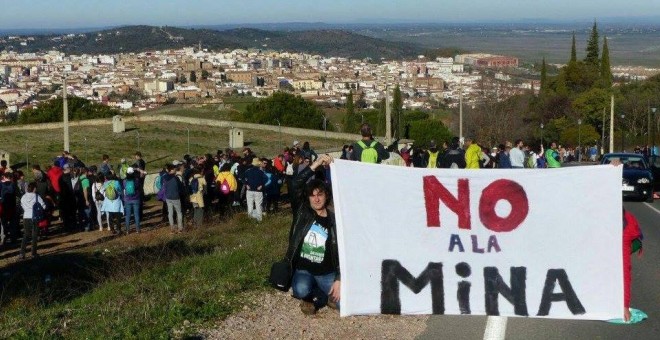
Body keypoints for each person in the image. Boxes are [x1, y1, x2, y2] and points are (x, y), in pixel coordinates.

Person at [285, 154, 340, 315]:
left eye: (320, 194)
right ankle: (308, 298)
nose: (316, 199)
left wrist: (339, 279)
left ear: (326, 196)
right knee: (301, 289)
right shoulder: (302, 212)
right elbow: (295, 184)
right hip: (304, 270)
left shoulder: (335, 220)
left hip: (326, 271)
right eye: (312, 195)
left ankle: (327, 294)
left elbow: (342, 250)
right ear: (308, 198)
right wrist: (316, 164)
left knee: (343, 304)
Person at [19, 182, 47, 260]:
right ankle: (33, 253)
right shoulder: (37, 196)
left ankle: (22, 253)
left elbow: (22, 206)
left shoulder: (23, 197)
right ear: (34, 188)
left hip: (26, 217)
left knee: (26, 235)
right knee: (34, 235)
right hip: (34, 217)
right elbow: (43, 206)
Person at [243, 158, 268, 222]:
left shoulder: (247, 171)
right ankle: (259, 220)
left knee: (250, 205)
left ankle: (250, 218)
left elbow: (244, 179)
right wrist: (261, 185)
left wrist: (246, 185)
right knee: (258, 205)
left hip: (250, 190)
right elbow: (265, 179)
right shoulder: (261, 172)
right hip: (258, 191)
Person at [163, 164, 184, 233]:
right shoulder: (175, 178)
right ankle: (180, 228)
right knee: (179, 212)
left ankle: (172, 228)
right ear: (171, 170)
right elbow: (180, 188)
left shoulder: (165, 177)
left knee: (170, 213)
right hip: (175, 197)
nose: (175, 170)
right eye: (174, 169)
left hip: (168, 197)